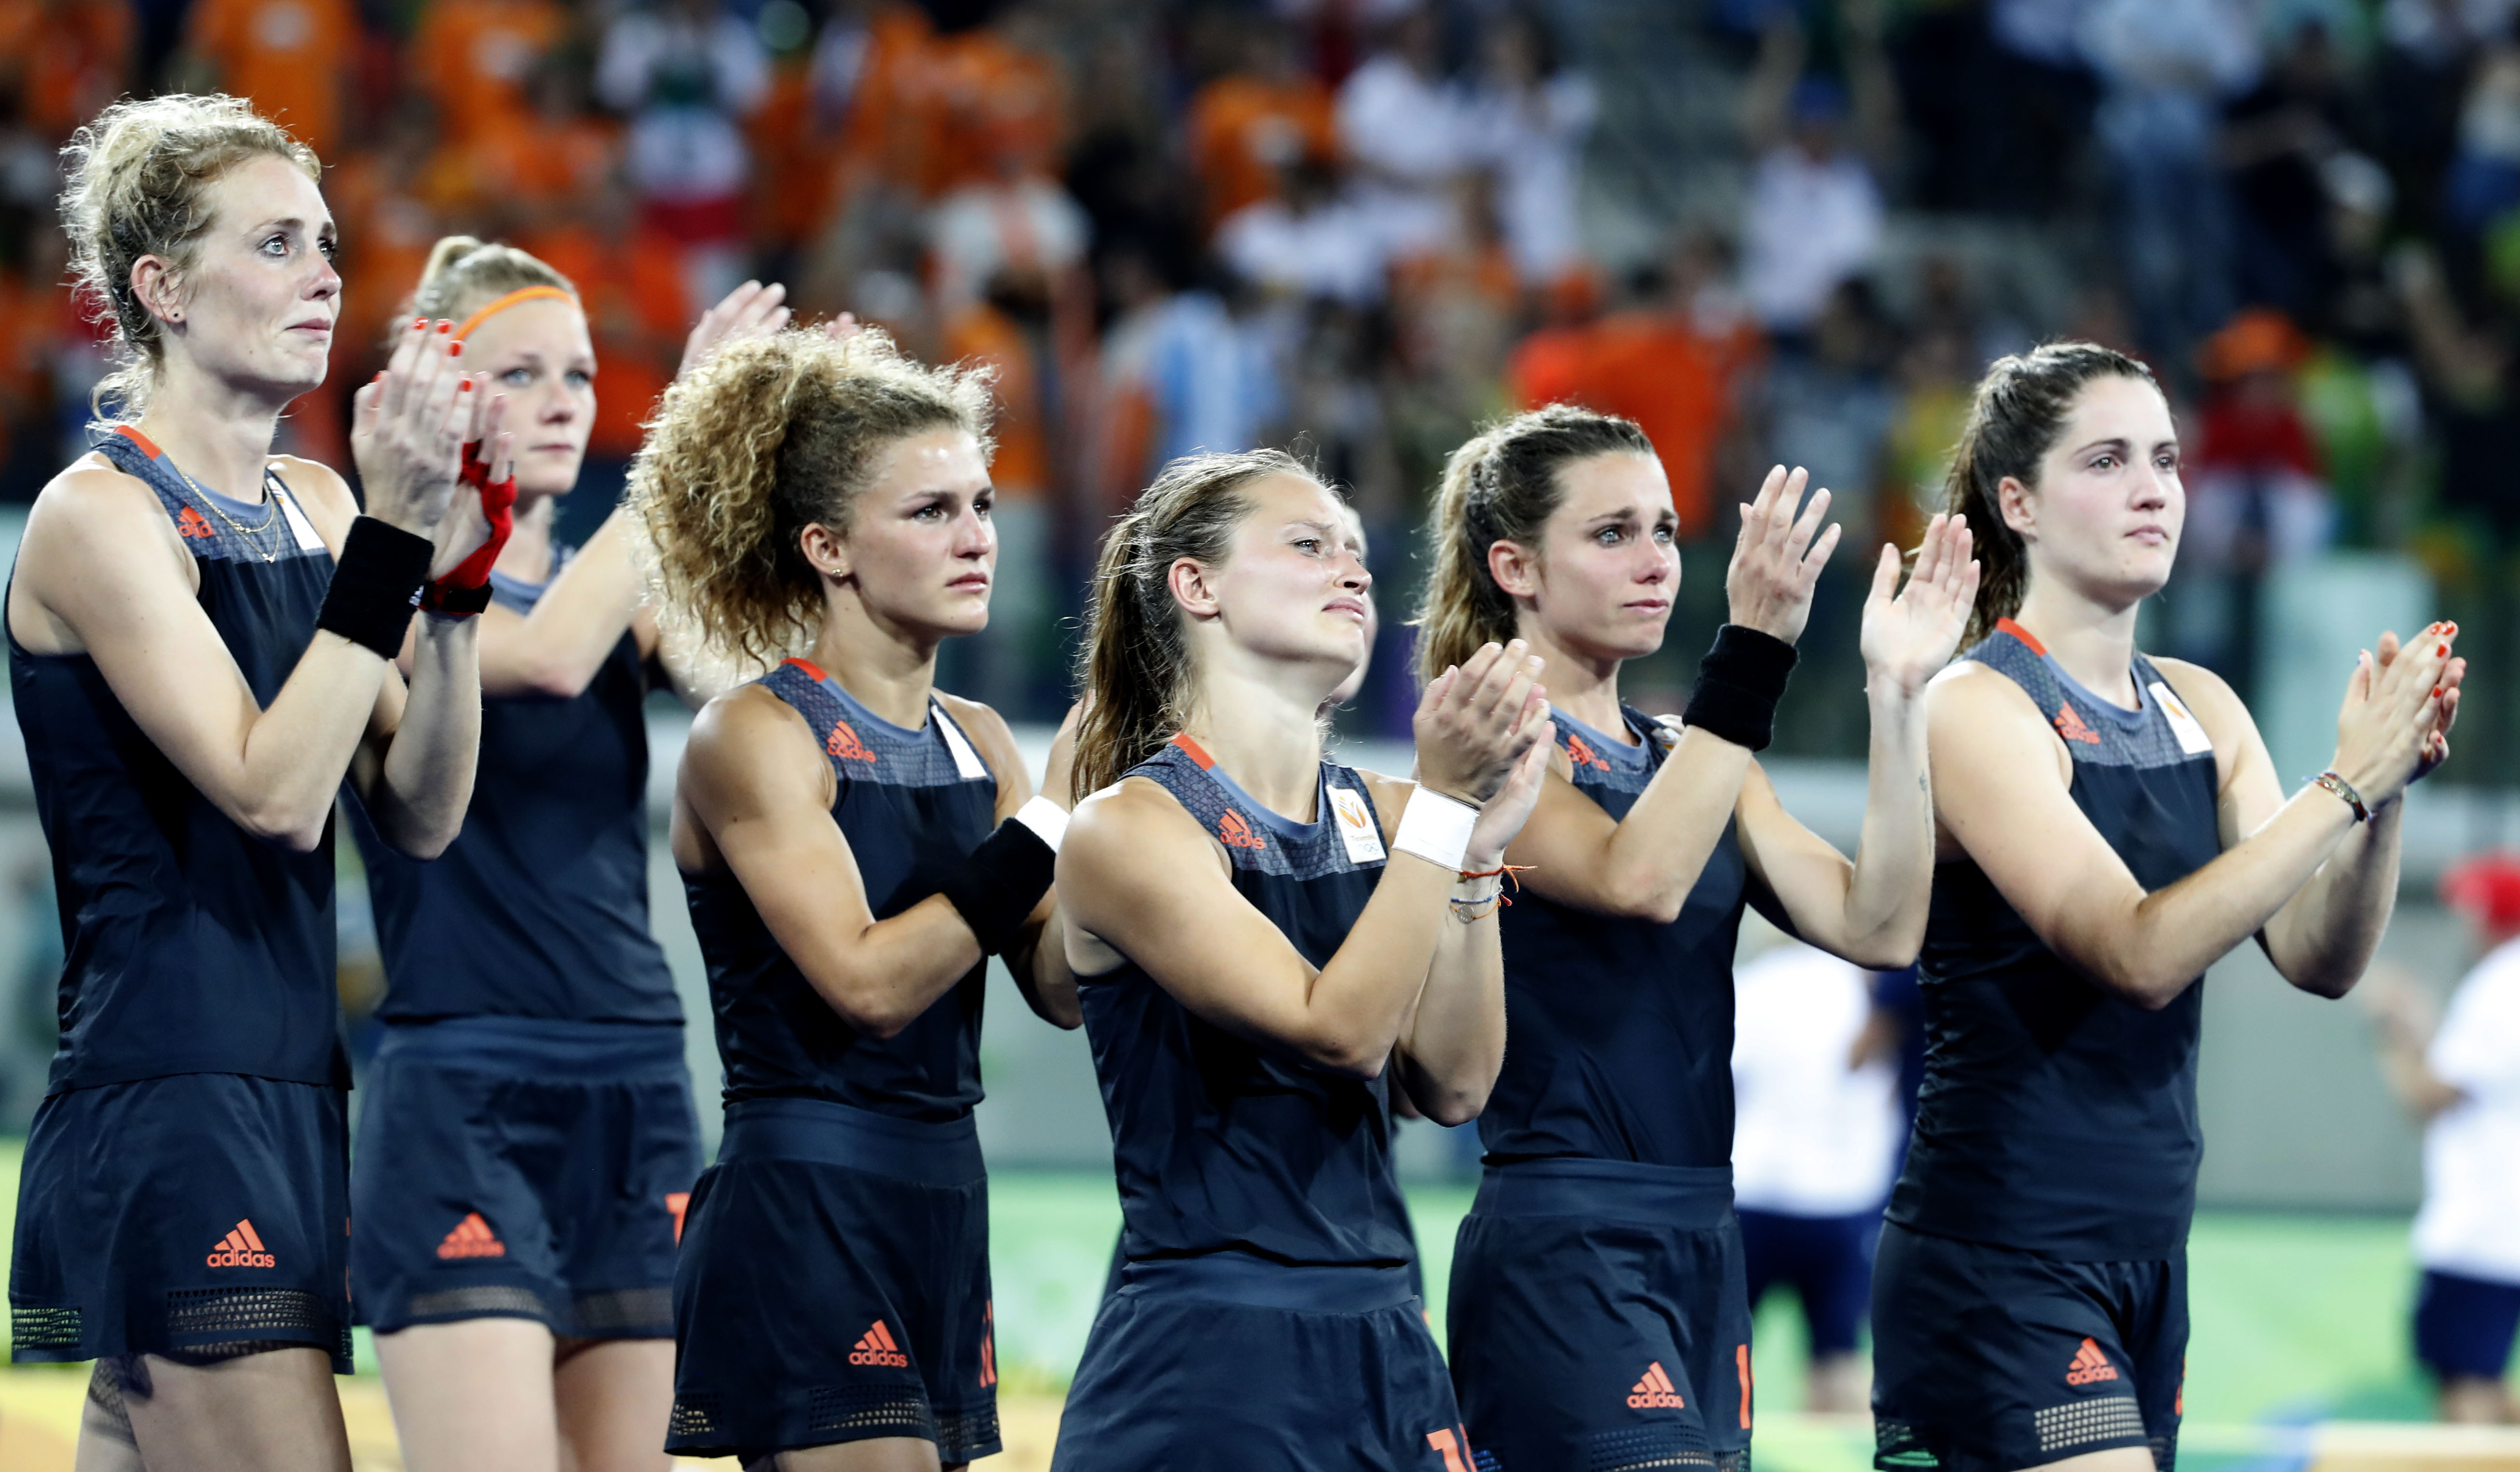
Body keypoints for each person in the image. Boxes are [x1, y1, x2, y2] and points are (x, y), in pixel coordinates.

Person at [9, 94, 498, 1468]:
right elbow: (272, 790)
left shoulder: (324, 505)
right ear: (160, 288)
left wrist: (449, 595)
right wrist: (399, 534)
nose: (326, 273)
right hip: (170, 1088)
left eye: (328, 241)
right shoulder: (98, 515)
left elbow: (418, 808)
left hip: (288, 1084)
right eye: (277, 242)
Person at [1873, 340, 2461, 1472]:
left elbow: (2315, 955)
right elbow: (2134, 951)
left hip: (2147, 1253)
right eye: (2105, 460)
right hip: (2003, 1249)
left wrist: (2378, 795)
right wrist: (2337, 788)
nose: (2153, 488)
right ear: (2018, 503)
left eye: (2165, 459)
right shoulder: (1977, 705)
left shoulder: (2199, 702)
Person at [1418, 404, 1975, 1472]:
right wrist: (1755, 646)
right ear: (1514, 566)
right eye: (1611, 532)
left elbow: (1878, 922)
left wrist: (1897, 692)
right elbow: (1640, 879)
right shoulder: (1486, 740)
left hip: (1701, 1229)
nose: (1656, 562)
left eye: (1666, 531)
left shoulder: (1694, 752)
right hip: (1562, 1229)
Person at [345, 243, 802, 1472]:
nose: (563, 401)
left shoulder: (625, 590)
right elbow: (542, 657)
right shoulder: (375, 583)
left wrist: (765, 463)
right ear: (440, 386)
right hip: (460, 1088)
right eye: (522, 372)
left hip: (638, 1080)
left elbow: (767, 678)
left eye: (582, 373)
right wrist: (680, 447)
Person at [1048, 447, 1552, 1470]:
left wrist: (1476, 858)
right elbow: (1340, 1029)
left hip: (1383, 1327)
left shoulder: (1394, 813)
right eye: (1308, 544)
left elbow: (1453, 1085)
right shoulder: (1126, 826)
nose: (1353, 571)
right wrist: (1449, 810)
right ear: (1196, 586)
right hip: (1215, 1351)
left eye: (1358, 552)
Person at [632, 325, 1076, 1470]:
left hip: (945, 1191)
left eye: (979, 505)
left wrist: (1141, 835)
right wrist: (1048, 822)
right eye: (929, 512)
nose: (976, 538)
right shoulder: (757, 733)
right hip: (808, 1193)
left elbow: (1062, 991)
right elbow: (869, 984)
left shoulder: (982, 740)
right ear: (828, 547)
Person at [2369, 853, 2520, 1426]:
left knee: (2465, 1397)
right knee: (2488, 1387)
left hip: (2481, 1233)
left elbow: (2427, 1095)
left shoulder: (2499, 984)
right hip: (2496, 1228)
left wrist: (2391, 1023)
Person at [1731, 932, 1905, 1415]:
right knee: (1839, 1356)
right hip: (1842, 1197)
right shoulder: (1867, 990)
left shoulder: (1750, 987)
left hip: (1755, 1193)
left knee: (1722, 1356)